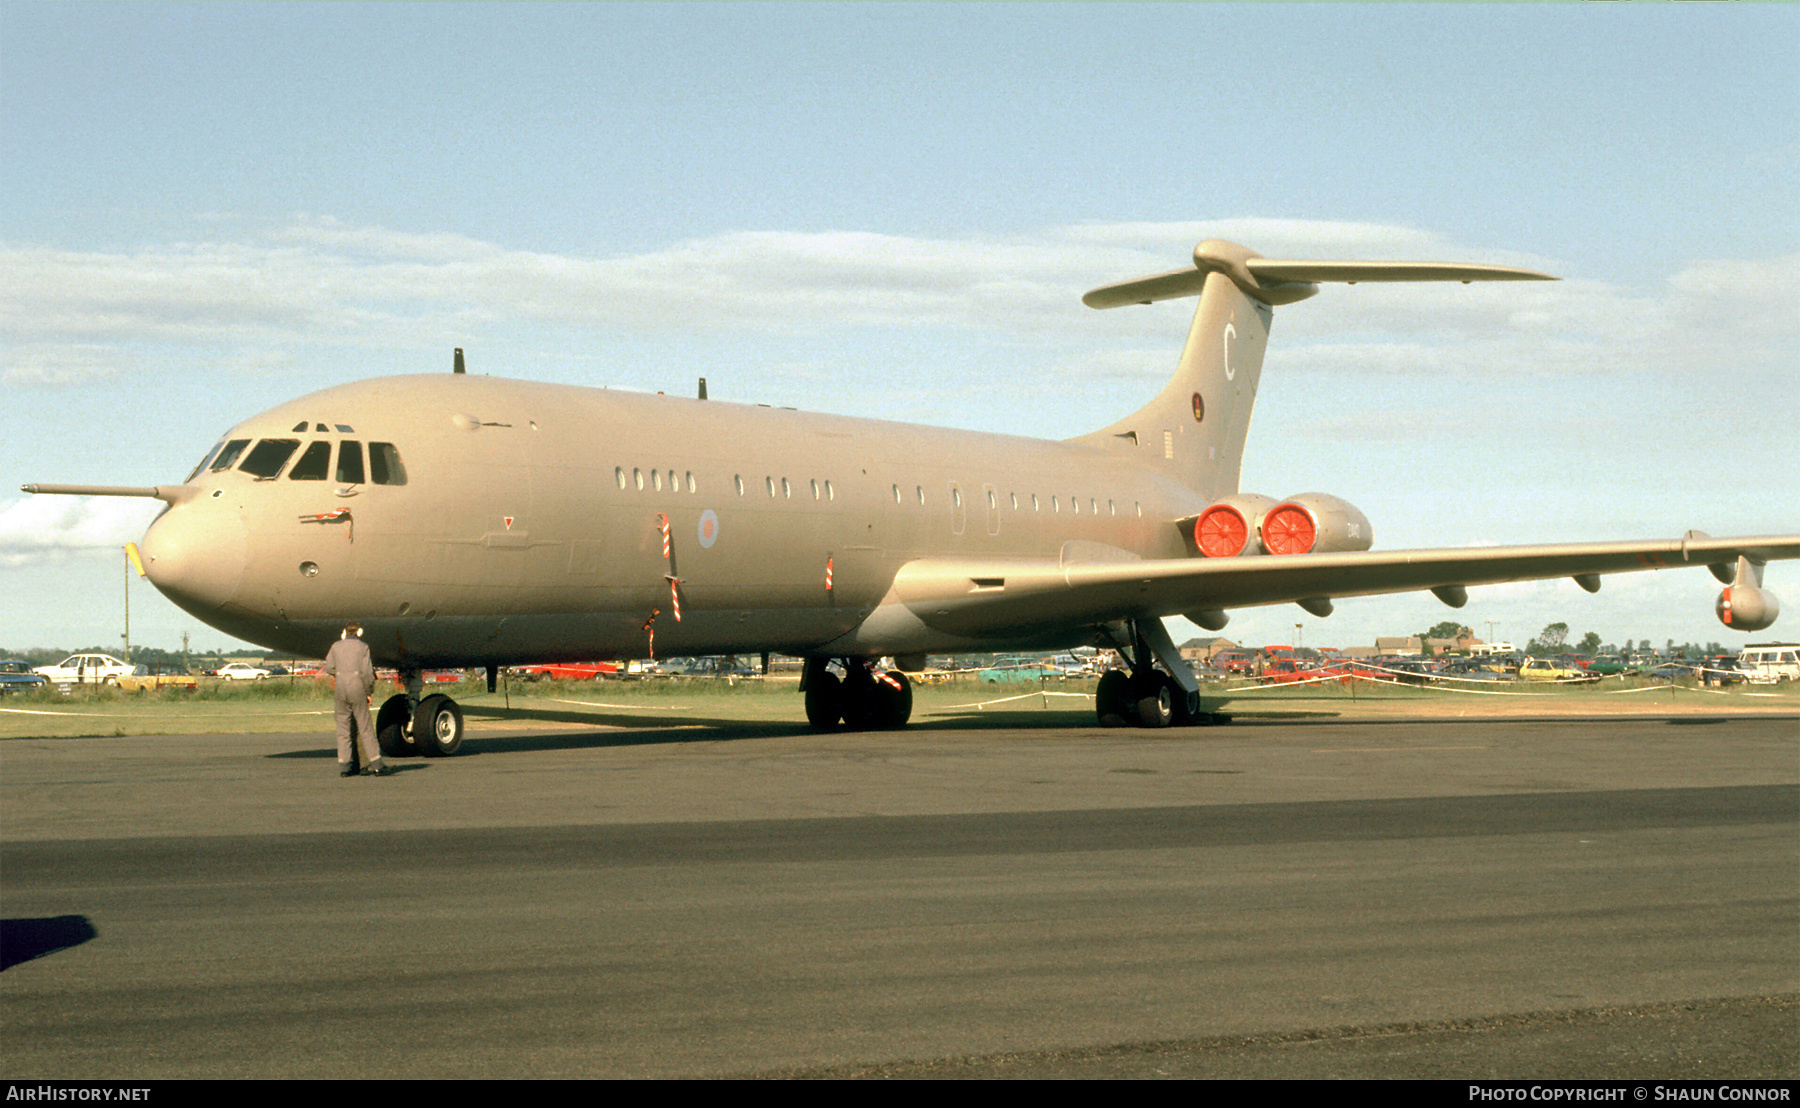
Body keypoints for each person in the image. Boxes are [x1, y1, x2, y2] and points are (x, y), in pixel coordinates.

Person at [323, 622, 387, 777]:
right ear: (359, 631)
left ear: (344, 632)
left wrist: (341, 673)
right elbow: (367, 673)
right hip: (357, 685)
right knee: (365, 726)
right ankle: (376, 763)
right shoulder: (363, 647)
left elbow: (329, 667)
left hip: (340, 686)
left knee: (343, 728)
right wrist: (368, 692)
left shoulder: (335, 646)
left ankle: (345, 765)